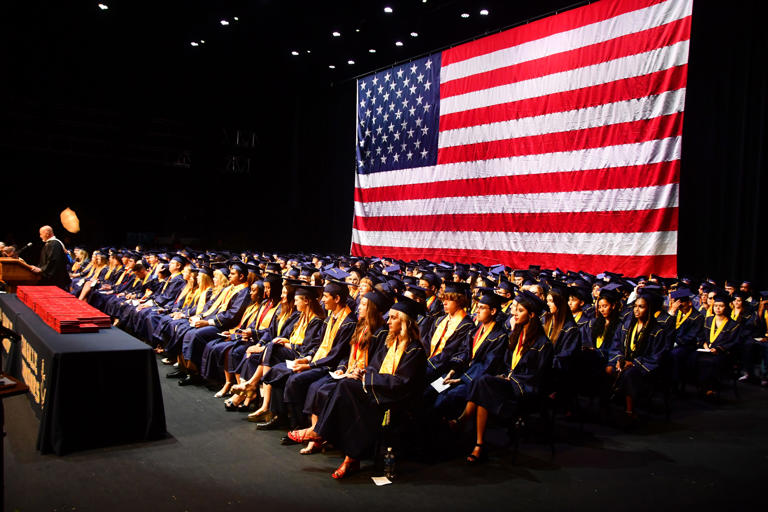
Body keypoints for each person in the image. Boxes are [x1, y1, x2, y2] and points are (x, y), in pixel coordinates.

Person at [311, 296, 427, 479]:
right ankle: (348, 456)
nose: (388, 321)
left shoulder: (415, 350)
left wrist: (368, 378)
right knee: (345, 386)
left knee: (347, 389)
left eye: (394, 318)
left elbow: (402, 383)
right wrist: (363, 374)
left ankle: (325, 437)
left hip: (397, 399)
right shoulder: (391, 343)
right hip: (379, 390)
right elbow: (374, 366)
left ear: (405, 322)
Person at [449, 290, 553, 464]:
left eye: (520, 310)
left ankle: (464, 419)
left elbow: (537, 376)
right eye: (515, 309)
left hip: (526, 390)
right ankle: (479, 444)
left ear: (532, 315)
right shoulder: (517, 335)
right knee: (485, 384)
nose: (513, 313)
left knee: (484, 382)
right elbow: (507, 364)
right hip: (508, 383)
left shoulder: (543, 345)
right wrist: (504, 376)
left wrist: (510, 380)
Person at [285, 288, 391, 454]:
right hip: (347, 372)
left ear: (373, 309)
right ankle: (315, 434)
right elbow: (347, 355)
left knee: (324, 390)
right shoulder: (361, 327)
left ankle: (318, 434)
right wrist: (342, 368)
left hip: (361, 378)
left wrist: (356, 373)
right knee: (316, 387)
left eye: (363, 305)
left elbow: (377, 363)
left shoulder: (381, 333)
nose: (359, 308)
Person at [606, 292, 669, 417]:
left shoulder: (657, 331)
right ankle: (608, 403)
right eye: (635, 306)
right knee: (608, 369)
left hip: (642, 367)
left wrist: (634, 363)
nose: (636, 309)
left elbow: (657, 357)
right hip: (625, 362)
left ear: (649, 309)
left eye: (641, 306)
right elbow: (616, 345)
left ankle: (630, 410)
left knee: (629, 374)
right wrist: (619, 359)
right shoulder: (627, 325)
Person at [695, 292, 742, 396]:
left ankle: (712, 388)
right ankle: (700, 386)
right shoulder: (708, 320)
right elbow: (701, 336)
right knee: (693, 358)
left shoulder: (733, 325)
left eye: (721, 306)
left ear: (726, 307)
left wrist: (719, 349)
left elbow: (733, 342)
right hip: (707, 350)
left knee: (712, 362)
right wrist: (704, 345)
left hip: (723, 353)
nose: (718, 308)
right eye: (716, 306)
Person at [30, 225, 71, 289]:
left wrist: (41, 269)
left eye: (41, 234)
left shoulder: (55, 244)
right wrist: (37, 267)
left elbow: (54, 261)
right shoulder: (49, 243)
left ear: (47, 233)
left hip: (56, 280)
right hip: (50, 278)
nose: (40, 236)